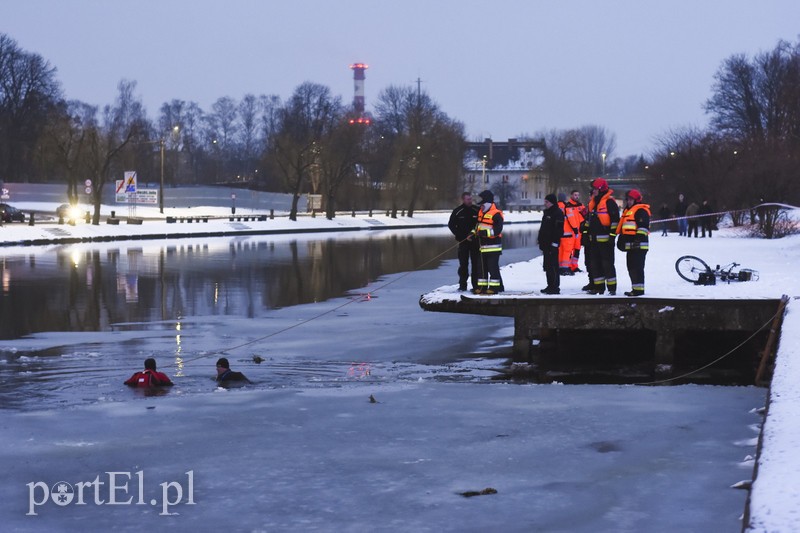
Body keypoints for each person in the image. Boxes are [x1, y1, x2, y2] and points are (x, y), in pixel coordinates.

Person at [584, 178, 620, 295]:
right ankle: (599, 287)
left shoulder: (610, 203)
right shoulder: (593, 204)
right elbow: (588, 221)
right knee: (595, 265)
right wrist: (585, 234)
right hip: (593, 241)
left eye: (595, 189)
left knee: (607, 265)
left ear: (601, 189)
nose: (593, 191)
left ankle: (612, 289)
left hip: (606, 242)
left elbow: (615, 222)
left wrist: (612, 236)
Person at [617, 190, 650, 297]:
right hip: (631, 246)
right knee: (631, 267)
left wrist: (638, 240)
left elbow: (643, 228)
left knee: (637, 267)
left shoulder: (641, 211)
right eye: (628, 199)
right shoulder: (628, 211)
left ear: (636, 200)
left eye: (631, 199)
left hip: (639, 246)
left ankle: (639, 290)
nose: (629, 201)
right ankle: (635, 288)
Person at [473, 189, 504, 295]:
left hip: (493, 247)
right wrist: (473, 233)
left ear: (487, 202)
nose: (480, 206)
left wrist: (484, 233)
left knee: (492, 268)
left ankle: (494, 288)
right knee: (481, 268)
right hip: (482, 247)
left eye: (482, 204)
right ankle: (482, 287)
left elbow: (497, 230)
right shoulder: (481, 212)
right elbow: (478, 226)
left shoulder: (496, 214)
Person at [447, 192, 479, 291]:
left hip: (475, 242)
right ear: (463, 200)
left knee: (476, 264)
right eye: (468, 199)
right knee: (463, 265)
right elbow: (451, 225)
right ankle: (462, 285)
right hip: (463, 242)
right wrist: (461, 236)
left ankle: (476, 286)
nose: (470, 201)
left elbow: (481, 224)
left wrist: (474, 235)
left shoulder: (476, 210)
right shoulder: (457, 211)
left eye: (471, 199)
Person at [538, 193, 565, 294]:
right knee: (548, 266)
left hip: (552, 244)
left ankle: (554, 287)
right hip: (545, 244)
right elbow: (543, 228)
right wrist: (540, 240)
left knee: (553, 266)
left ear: (552, 202)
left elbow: (558, 230)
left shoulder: (557, 213)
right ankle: (550, 285)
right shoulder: (547, 213)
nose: (545, 204)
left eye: (547, 202)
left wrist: (555, 243)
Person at [558, 190, 584, 275]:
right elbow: (571, 218)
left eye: (578, 195)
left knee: (573, 250)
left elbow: (584, 215)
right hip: (572, 231)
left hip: (573, 231)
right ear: (570, 196)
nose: (577, 196)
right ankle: (567, 267)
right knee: (569, 250)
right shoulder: (568, 206)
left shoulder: (580, 206)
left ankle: (572, 266)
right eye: (575, 195)